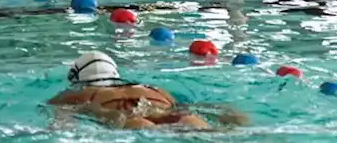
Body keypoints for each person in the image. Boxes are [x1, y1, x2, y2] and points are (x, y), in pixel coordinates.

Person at [50, 52, 247, 129]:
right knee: (187, 120)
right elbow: (196, 107)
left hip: (119, 112)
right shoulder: (154, 89)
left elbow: (61, 118)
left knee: (138, 124)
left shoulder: (83, 93)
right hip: (158, 105)